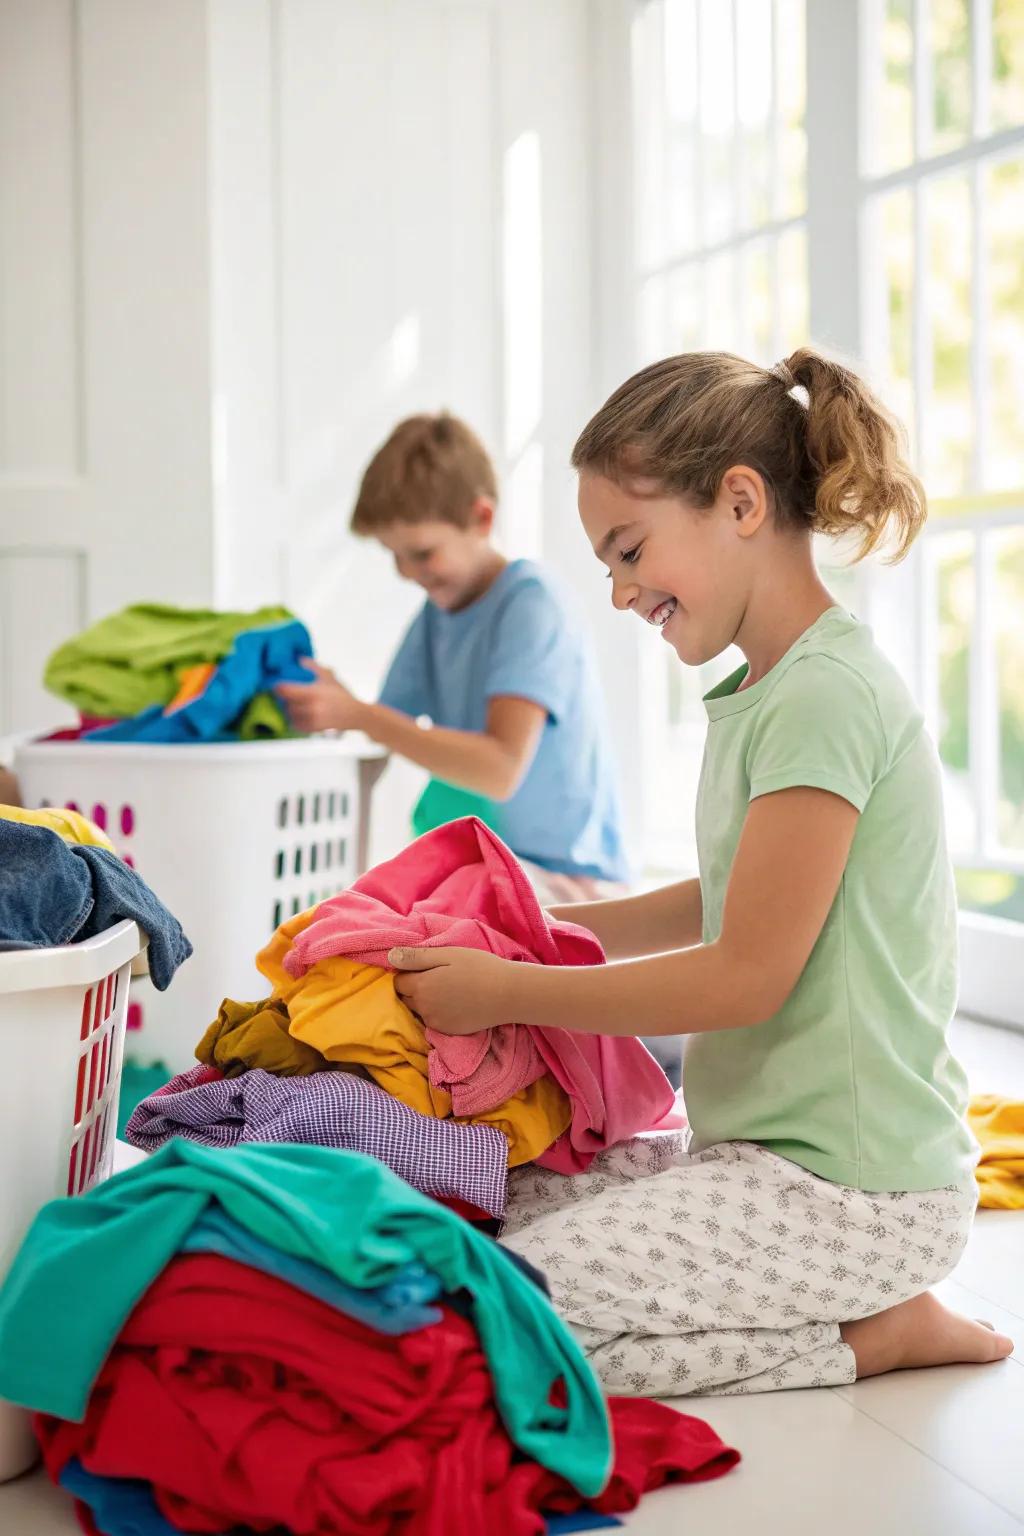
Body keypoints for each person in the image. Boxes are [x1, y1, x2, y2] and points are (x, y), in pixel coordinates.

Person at [385, 349, 1013, 1396]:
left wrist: (509, 988)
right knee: (480, 1212)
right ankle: (852, 1313)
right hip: (758, 1159)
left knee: (493, 1318)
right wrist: (538, 926)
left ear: (740, 503)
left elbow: (744, 976)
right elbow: (725, 896)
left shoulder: (825, 696)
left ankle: (872, 1335)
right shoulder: (770, 691)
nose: (621, 592)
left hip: (856, 1196)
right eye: (607, 566)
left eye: (630, 550)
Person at [277, 412, 627, 902]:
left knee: (422, 920)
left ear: (481, 519)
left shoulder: (532, 603)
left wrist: (358, 714)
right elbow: (383, 726)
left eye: (421, 553)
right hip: (491, 869)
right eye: (393, 554)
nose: (406, 572)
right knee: (370, 911)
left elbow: (499, 769)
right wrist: (334, 709)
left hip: (571, 880)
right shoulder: (437, 617)